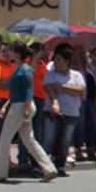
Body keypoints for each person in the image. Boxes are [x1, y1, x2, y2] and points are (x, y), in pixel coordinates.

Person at [0, 42, 56, 182]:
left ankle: (0, 173)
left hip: (21, 107)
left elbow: (28, 91)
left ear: (17, 53)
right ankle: (49, 169)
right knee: (29, 140)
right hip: (19, 105)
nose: (9, 53)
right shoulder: (19, 68)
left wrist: (26, 111)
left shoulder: (24, 69)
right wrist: (7, 105)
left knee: (5, 138)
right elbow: (15, 92)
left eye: (11, 50)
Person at [41, 45, 86, 177]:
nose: (56, 62)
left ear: (67, 61)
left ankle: (60, 166)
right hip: (52, 112)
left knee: (65, 141)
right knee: (48, 140)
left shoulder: (76, 75)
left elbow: (80, 90)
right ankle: (42, 166)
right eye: (55, 59)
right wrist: (55, 99)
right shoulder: (51, 74)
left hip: (71, 112)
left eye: (59, 59)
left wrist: (63, 87)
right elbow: (48, 87)